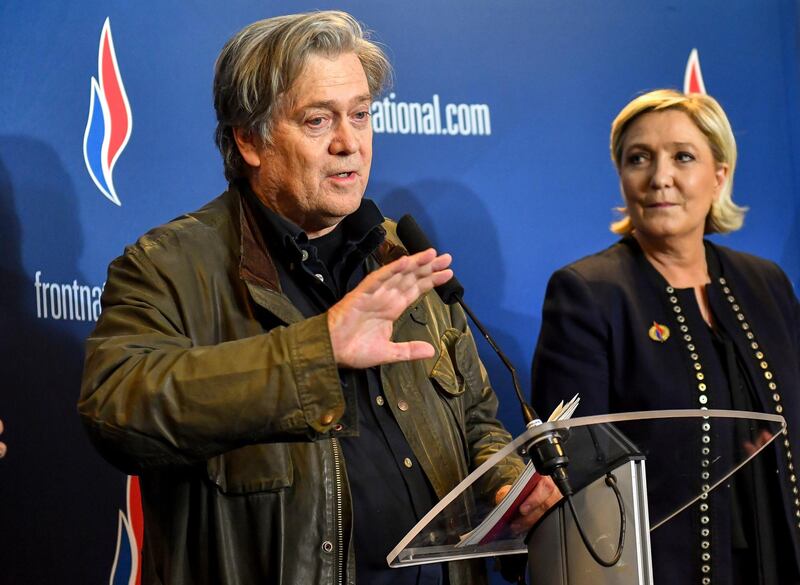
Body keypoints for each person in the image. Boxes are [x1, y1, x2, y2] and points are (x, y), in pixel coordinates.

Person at [79, 11, 558, 585]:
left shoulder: (397, 257)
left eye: (360, 115)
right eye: (317, 120)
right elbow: (118, 409)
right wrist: (317, 351)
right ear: (250, 140)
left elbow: (477, 422)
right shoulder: (168, 266)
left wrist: (504, 486)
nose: (348, 143)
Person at [530, 88, 800, 584]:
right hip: (660, 566)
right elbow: (579, 469)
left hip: (778, 555)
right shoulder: (587, 292)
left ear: (719, 175)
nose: (660, 178)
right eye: (639, 159)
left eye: (683, 157)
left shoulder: (767, 284)